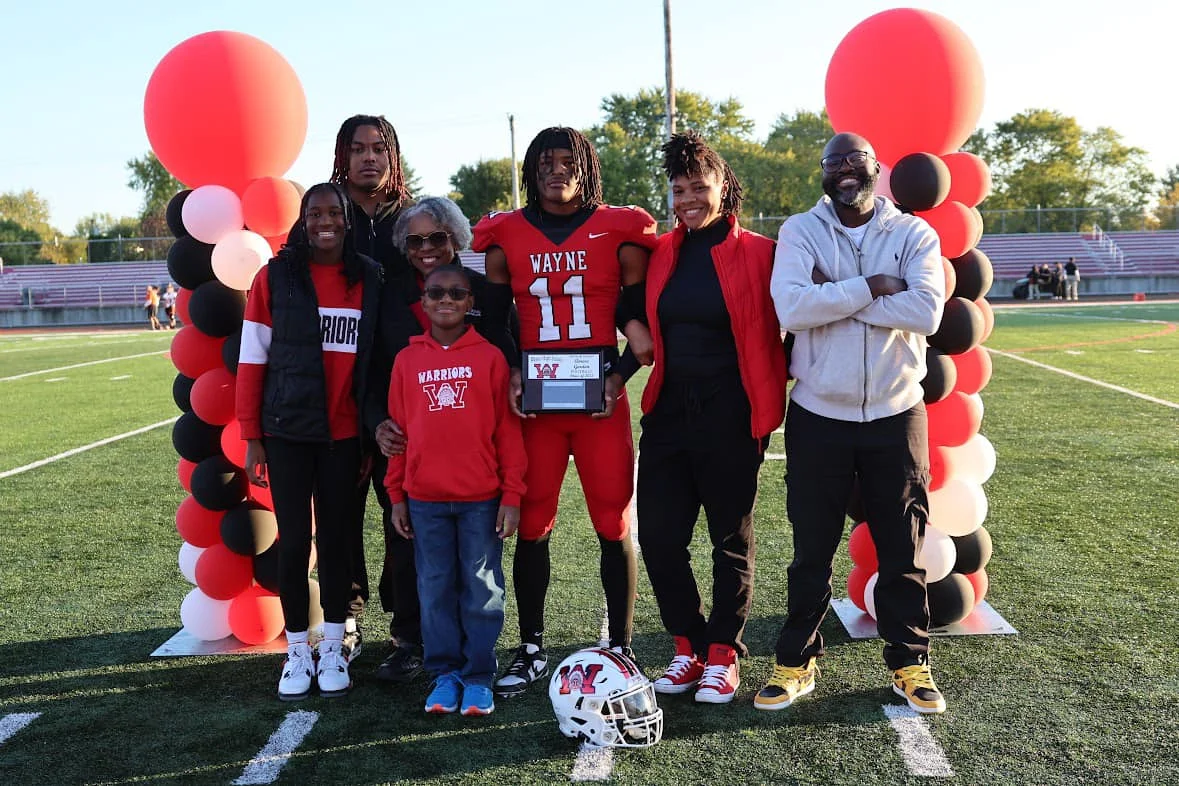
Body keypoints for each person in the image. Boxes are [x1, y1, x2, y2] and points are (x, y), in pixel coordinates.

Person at [763, 132, 947, 714]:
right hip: (819, 410)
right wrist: (872, 286)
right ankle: (796, 660)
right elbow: (791, 307)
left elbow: (926, 311)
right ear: (822, 172)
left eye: (855, 160)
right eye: (833, 162)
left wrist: (833, 294)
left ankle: (910, 662)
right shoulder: (799, 231)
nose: (845, 169)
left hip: (896, 409)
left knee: (902, 544)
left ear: (875, 169)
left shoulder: (914, 232)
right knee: (811, 545)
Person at [471, 127, 658, 698]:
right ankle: (531, 648)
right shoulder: (505, 233)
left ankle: (621, 647)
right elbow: (494, 318)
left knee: (612, 520)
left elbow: (638, 311)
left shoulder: (621, 228)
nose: (556, 169)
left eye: (566, 159)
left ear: (587, 166)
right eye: (545, 161)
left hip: (599, 397)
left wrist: (619, 376)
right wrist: (515, 373)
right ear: (531, 169)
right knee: (532, 524)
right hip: (538, 403)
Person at [636, 132, 786, 705]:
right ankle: (688, 646)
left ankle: (724, 652)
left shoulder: (763, 253)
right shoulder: (662, 253)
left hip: (733, 413)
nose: (688, 198)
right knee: (659, 536)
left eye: (699, 186)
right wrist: (633, 333)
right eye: (678, 189)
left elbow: (802, 314)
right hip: (669, 414)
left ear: (725, 188)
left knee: (728, 539)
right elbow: (630, 305)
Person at [236, 182, 385, 700]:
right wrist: (252, 436)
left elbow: (373, 363)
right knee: (295, 542)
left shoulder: (368, 277)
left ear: (348, 219)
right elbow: (252, 360)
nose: (326, 220)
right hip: (287, 434)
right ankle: (297, 647)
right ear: (302, 221)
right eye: (315, 212)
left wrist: (370, 435)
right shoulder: (275, 277)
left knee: (340, 541)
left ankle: (335, 644)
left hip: (345, 437)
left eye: (335, 212)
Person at [303, 114, 418, 681]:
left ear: (392, 155)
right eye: (358, 149)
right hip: (339, 398)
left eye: (379, 148)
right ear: (341, 156)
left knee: (404, 515)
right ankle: (342, 622)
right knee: (340, 516)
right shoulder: (325, 216)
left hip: (402, 393)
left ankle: (407, 630)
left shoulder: (414, 220)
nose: (368, 158)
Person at [384, 263, 526, 716]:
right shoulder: (407, 360)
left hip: (480, 499)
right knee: (435, 587)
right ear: (423, 302)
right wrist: (396, 495)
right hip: (424, 500)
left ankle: (479, 674)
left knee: (483, 588)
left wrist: (512, 495)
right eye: (436, 293)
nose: (446, 300)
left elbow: (508, 433)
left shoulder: (490, 357)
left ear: (471, 303)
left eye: (456, 293)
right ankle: (443, 673)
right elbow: (399, 434)